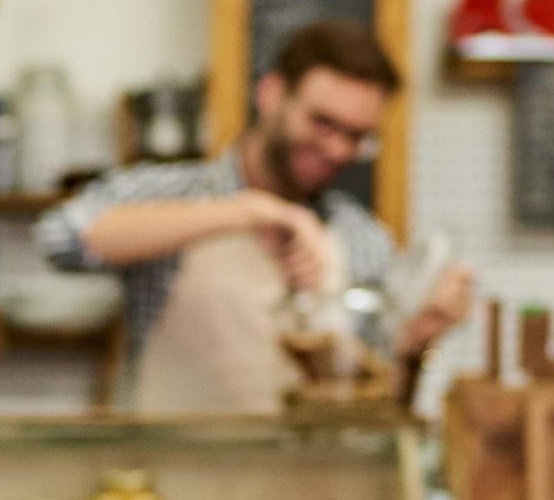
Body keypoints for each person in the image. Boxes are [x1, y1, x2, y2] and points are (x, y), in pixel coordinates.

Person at [34, 20, 474, 413]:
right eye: (323, 122)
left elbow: (376, 409)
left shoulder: (363, 239)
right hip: (178, 484)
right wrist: (244, 210)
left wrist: (413, 345)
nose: (338, 149)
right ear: (272, 95)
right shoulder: (175, 192)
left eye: (356, 136)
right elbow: (61, 238)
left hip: (313, 491)